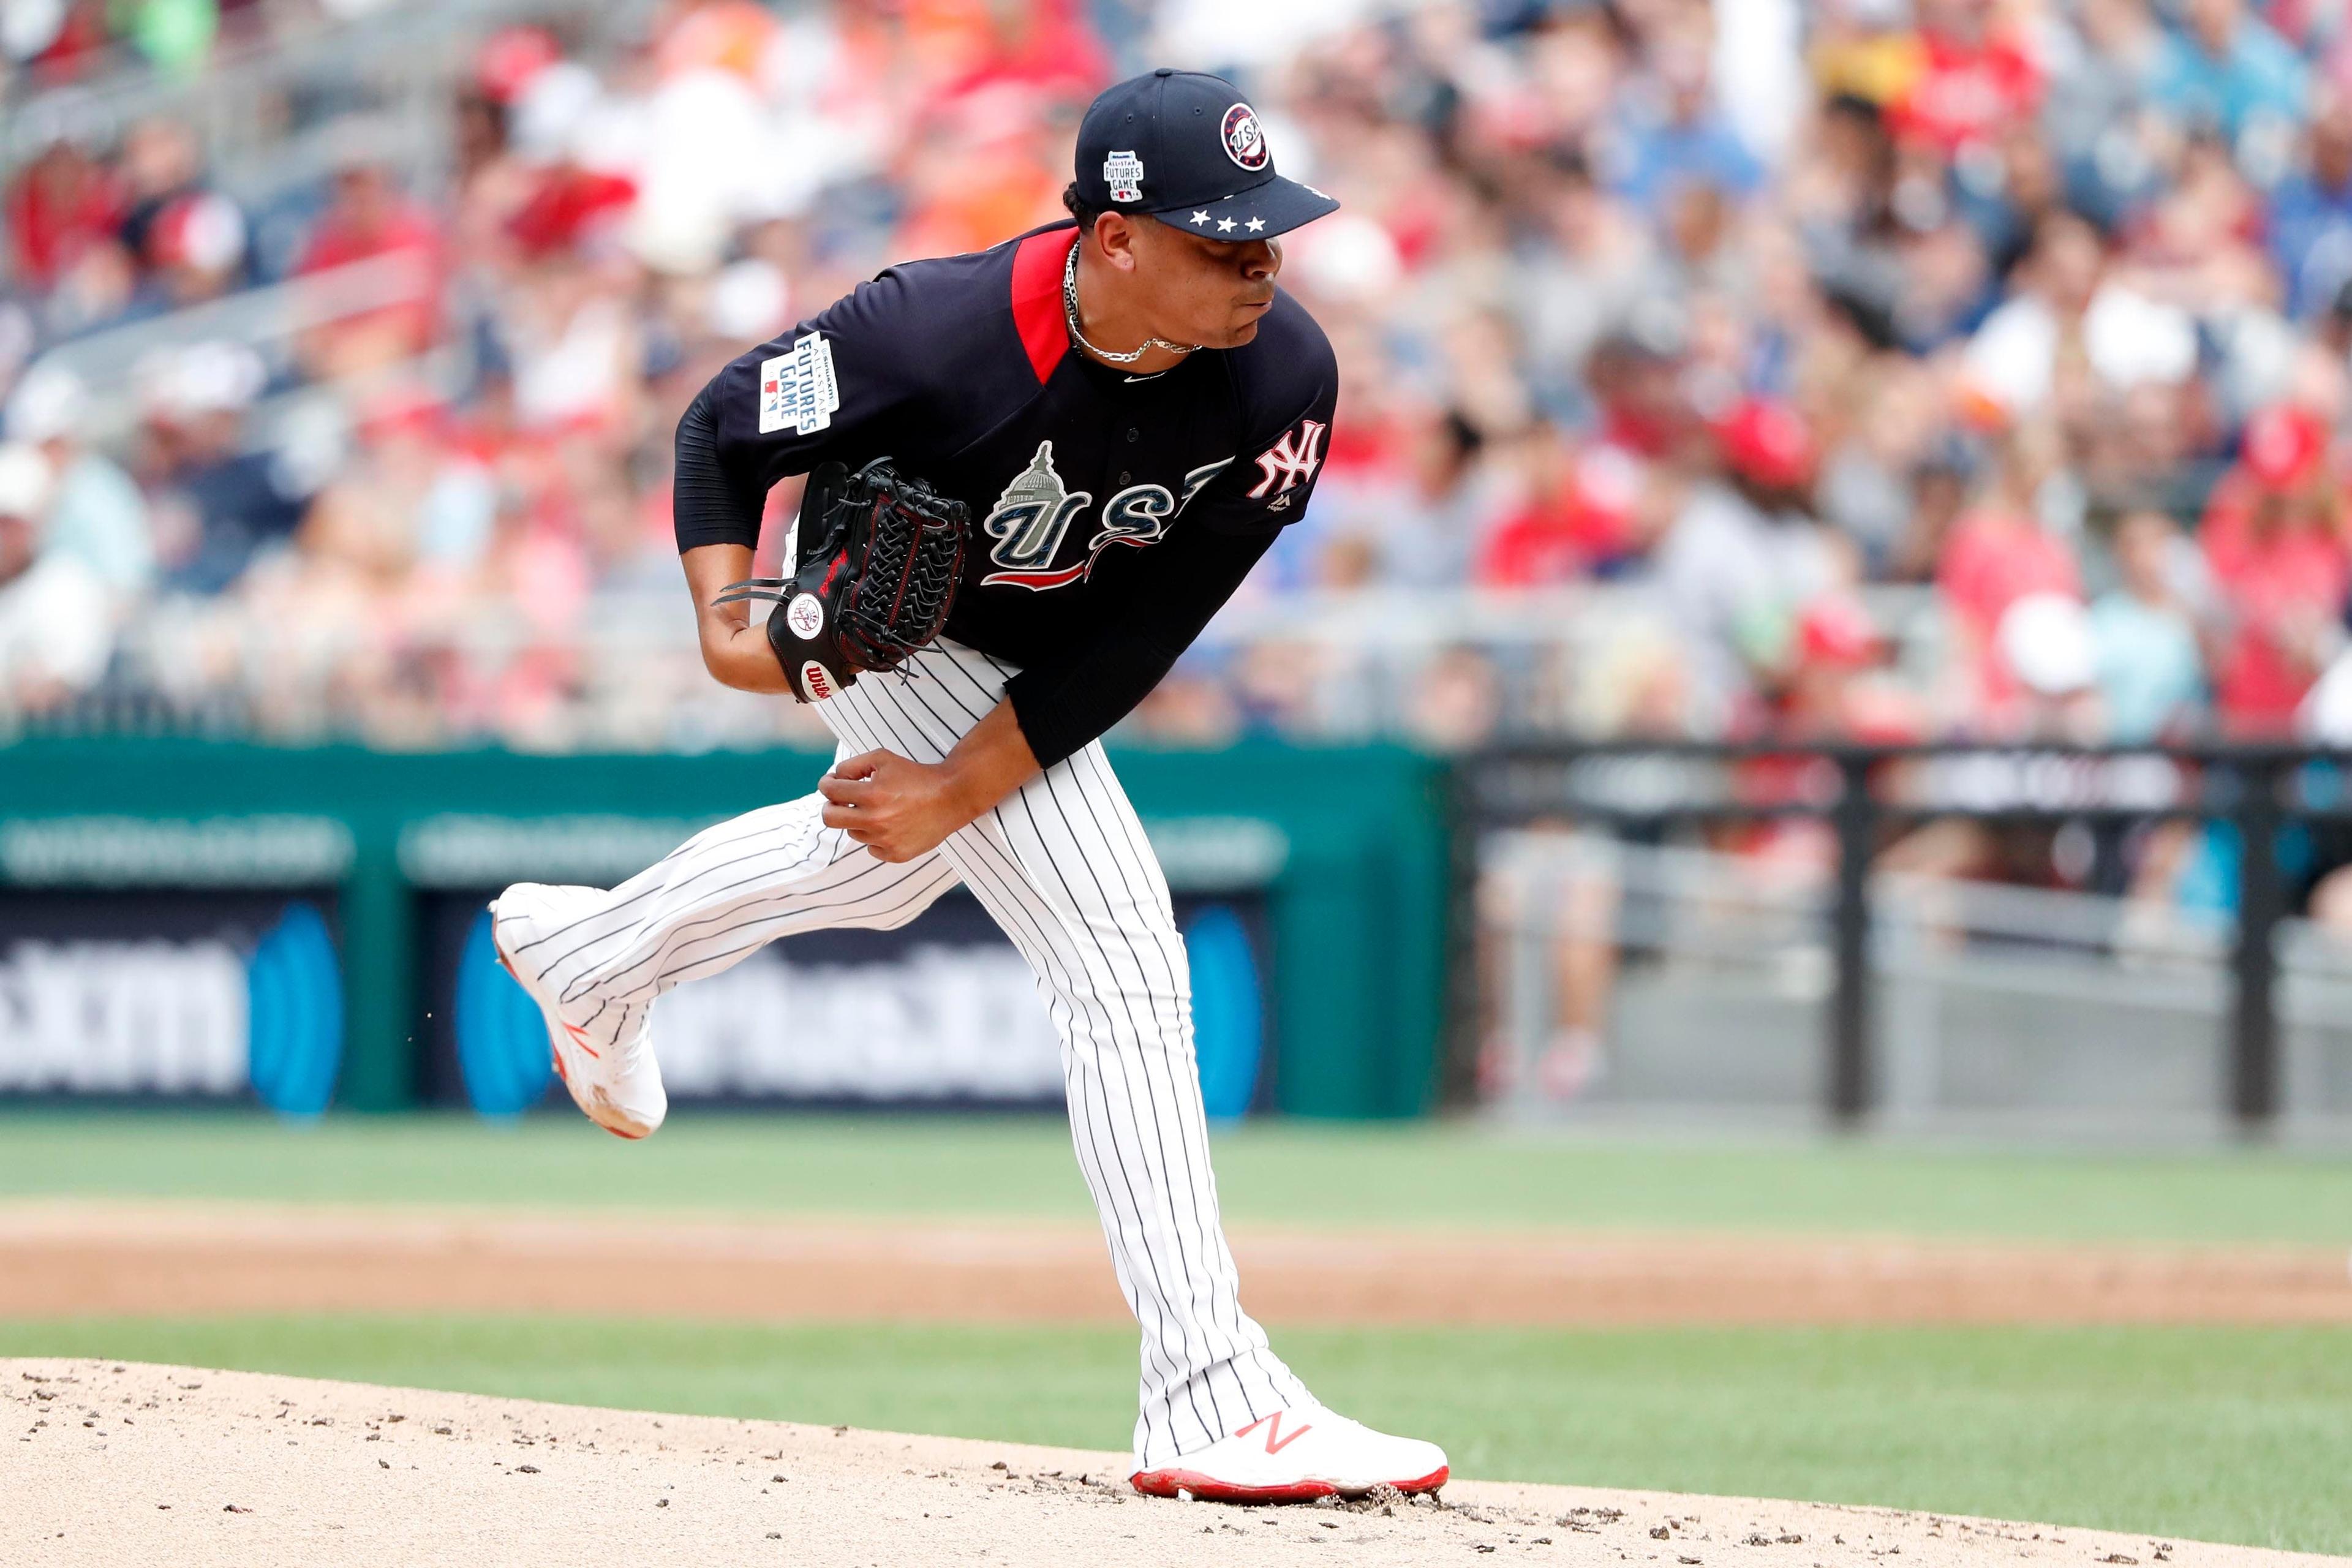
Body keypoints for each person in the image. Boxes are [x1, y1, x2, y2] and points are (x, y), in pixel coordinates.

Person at [484, 70, 1447, 1506]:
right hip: (890, 620)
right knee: (1119, 950)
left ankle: (591, 955)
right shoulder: (930, 331)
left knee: (882, 868)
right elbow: (718, 428)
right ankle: (1210, 1391)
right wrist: (725, 618)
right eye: (1219, 241)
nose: (1260, 267)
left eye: (1269, 237)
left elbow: (1145, 633)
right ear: (1113, 237)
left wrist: (958, 783)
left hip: (1041, 656)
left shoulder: (1281, 379)